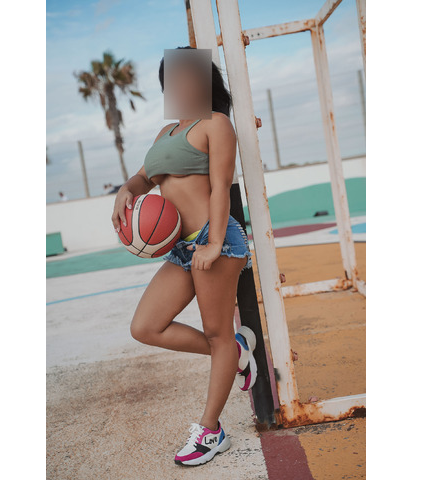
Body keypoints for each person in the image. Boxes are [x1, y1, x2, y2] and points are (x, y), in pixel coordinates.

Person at [111, 46, 257, 467]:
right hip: (180, 248)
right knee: (145, 327)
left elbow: (221, 185)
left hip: (214, 239)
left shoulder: (216, 123)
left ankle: (212, 431)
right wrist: (126, 189)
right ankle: (236, 352)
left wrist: (213, 244)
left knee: (215, 332)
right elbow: (145, 178)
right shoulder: (165, 134)